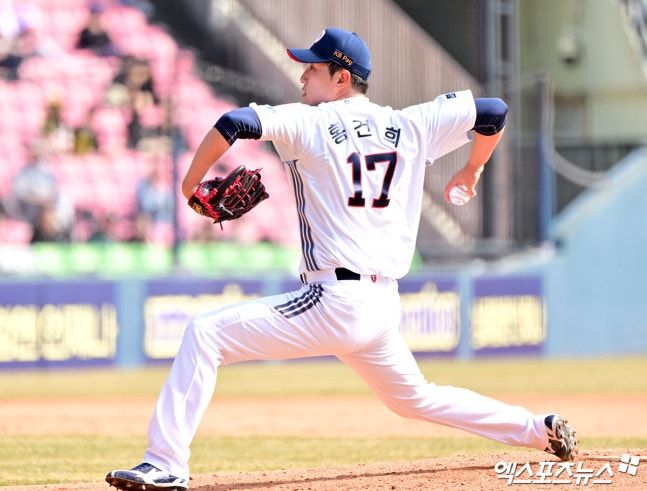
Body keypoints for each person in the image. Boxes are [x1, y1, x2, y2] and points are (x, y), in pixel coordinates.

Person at [106, 27, 578, 490]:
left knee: (205, 334)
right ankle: (538, 429)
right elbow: (493, 112)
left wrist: (189, 184)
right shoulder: (411, 124)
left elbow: (233, 122)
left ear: (341, 78)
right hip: (381, 304)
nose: (302, 76)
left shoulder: (308, 123)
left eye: (312, 68)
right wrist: (472, 169)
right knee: (414, 398)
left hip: (335, 300)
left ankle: (165, 463)